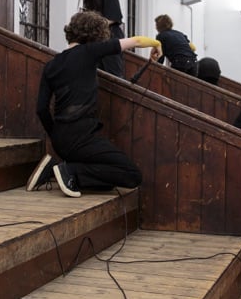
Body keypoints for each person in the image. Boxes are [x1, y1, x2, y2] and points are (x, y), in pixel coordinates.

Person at [27, 11, 159, 197]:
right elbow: (136, 41)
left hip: (60, 141)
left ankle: (54, 169)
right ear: (96, 36)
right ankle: (69, 171)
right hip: (82, 138)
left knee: (104, 184)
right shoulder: (89, 51)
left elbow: (41, 109)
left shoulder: (51, 65)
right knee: (132, 175)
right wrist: (157, 44)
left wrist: (55, 134)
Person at [79, 0, 125, 77]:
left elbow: (113, 18)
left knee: (112, 74)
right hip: (98, 39)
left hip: (110, 38)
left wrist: (91, 24)